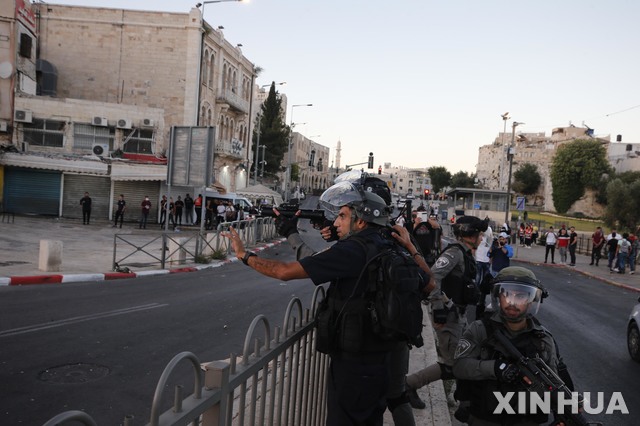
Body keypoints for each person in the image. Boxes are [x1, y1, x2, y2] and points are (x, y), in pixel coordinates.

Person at [223, 181, 432, 426]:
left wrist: (244, 255)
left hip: (355, 368)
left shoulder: (353, 251)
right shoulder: (389, 246)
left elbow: (284, 271)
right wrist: (409, 244)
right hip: (381, 361)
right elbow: (429, 284)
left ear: (361, 220)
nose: (335, 223)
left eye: (342, 216)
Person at [453, 266, 575, 425]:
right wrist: (495, 368)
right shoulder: (480, 329)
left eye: (520, 296)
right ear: (498, 297)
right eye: (507, 294)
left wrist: (564, 412)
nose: (512, 302)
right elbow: (459, 366)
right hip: (484, 419)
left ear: (531, 300)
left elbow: (553, 384)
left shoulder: (543, 339)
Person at [405, 215, 488, 410]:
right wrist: (438, 308)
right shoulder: (455, 253)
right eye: (479, 234)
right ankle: (409, 385)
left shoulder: (466, 254)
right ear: (469, 234)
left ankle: (461, 398)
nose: (482, 238)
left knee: (464, 356)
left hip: (459, 315)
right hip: (449, 316)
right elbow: (433, 276)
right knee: (453, 364)